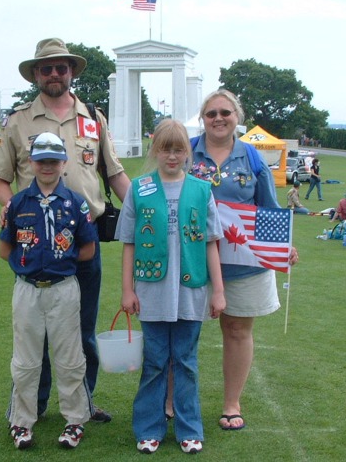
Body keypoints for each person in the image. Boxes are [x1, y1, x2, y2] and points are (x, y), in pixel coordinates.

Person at [0, 37, 130, 422]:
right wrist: (12, 210)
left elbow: (113, 173)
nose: (54, 74)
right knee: (37, 330)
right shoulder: (18, 120)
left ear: (71, 72)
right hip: (34, 243)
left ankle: (82, 400)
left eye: (61, 67)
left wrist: (143, 210)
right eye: (46, 68)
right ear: (36, 74)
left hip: (83, 241)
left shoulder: (92, 117)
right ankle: (35, 402)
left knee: (82, 328)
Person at [188, 89, 299, 430]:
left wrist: (284, 246)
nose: (218, 119)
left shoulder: (252, 158)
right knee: (180, 332)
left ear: (237, 117)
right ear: (202, 118)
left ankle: (231, 403)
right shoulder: (185, 150)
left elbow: (269, 209)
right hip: (190, 260)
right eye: (211, 114)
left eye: (225, 112)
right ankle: (171, 400)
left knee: (237, 330)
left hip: (241, 263)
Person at [116, 120, 225, 455]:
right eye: (166, 149)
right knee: (155, 361)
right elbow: (129, 244)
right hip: (151, 291)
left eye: (179, 149)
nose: (172, 156)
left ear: (187, 153)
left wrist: (218, 291)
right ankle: (149, 428)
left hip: (191, 291)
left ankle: (189, 428)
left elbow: (210, 243)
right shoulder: (140, 188)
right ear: (156, 151)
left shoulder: (201, 189)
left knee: (186, 361)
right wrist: (127, 290)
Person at [0, 132, 96, 450]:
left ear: (64, 163)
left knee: (70, 359)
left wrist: (59, 260)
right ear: (31, 163)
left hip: (63, 289)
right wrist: (29, 265)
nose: (47, 166)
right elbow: (4, 249)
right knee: (26, 361)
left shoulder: (75, 203)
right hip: (27, 290)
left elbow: (88, 249)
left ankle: (75, 420)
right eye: (42, 160)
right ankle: (21, 422)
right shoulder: (16, 203)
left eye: (54, 160)